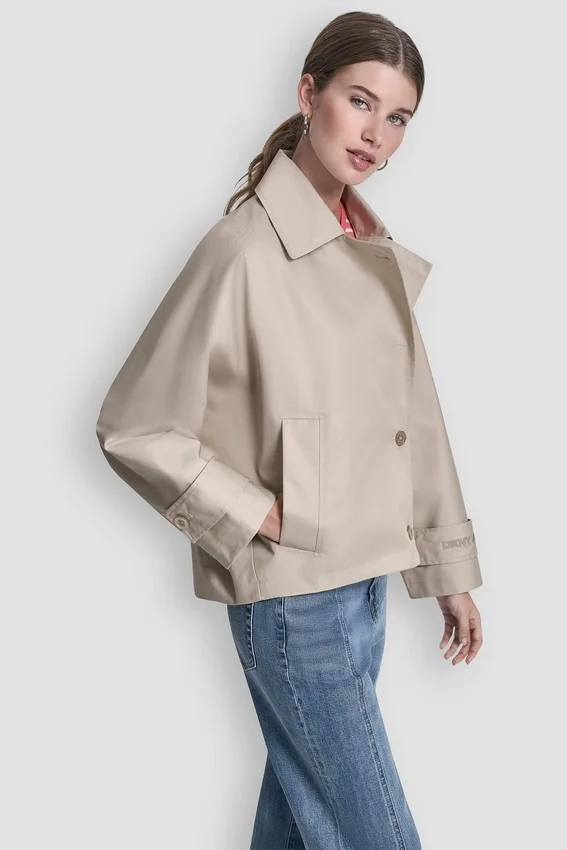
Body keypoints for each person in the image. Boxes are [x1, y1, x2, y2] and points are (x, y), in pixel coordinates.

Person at [95, 10, 484, 849]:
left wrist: (446, 567)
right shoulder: (240, 251)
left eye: (398, 117)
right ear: (309, 94)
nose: (376, 134)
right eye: (360, 101)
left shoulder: (366, 250)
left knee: (305, 824)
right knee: (376, 833)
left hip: (367, 580)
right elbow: (134, 423)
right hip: (293, 595)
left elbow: (412, 416)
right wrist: (254, 513)